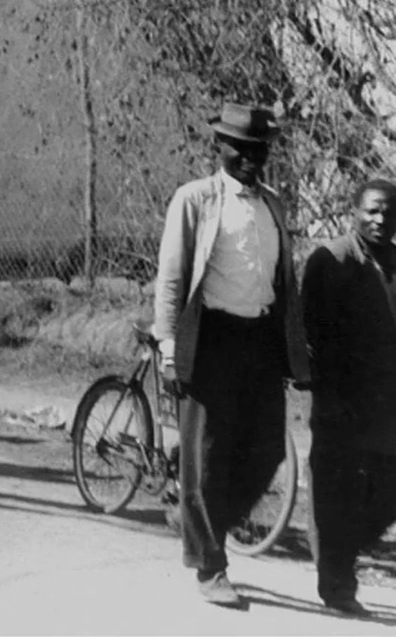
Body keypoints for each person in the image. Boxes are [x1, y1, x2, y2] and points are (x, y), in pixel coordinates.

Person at [153, 103, 309, 608]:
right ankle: (209, 565)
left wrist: (293, 348)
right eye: (239, 148)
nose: (249, 158)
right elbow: (172, 278)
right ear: (218, 146)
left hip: (259, 340)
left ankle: (200, 521)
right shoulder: (195, 199)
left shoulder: (273, 205)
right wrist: (169, 347)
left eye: (258, 149)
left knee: (267, 450)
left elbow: (283, 280)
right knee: (206, 458)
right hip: (212, 338)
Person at [301, 179, 396, 617]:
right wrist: (328, 395)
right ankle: (337, 586)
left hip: (384, 402)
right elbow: (312, 334)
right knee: (336, 491)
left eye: (388, 212)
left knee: (385, 489)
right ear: (354, 211)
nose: (380, 220)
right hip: (340, 399)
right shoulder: (331, 260)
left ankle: (341, 553)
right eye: (371, 210)